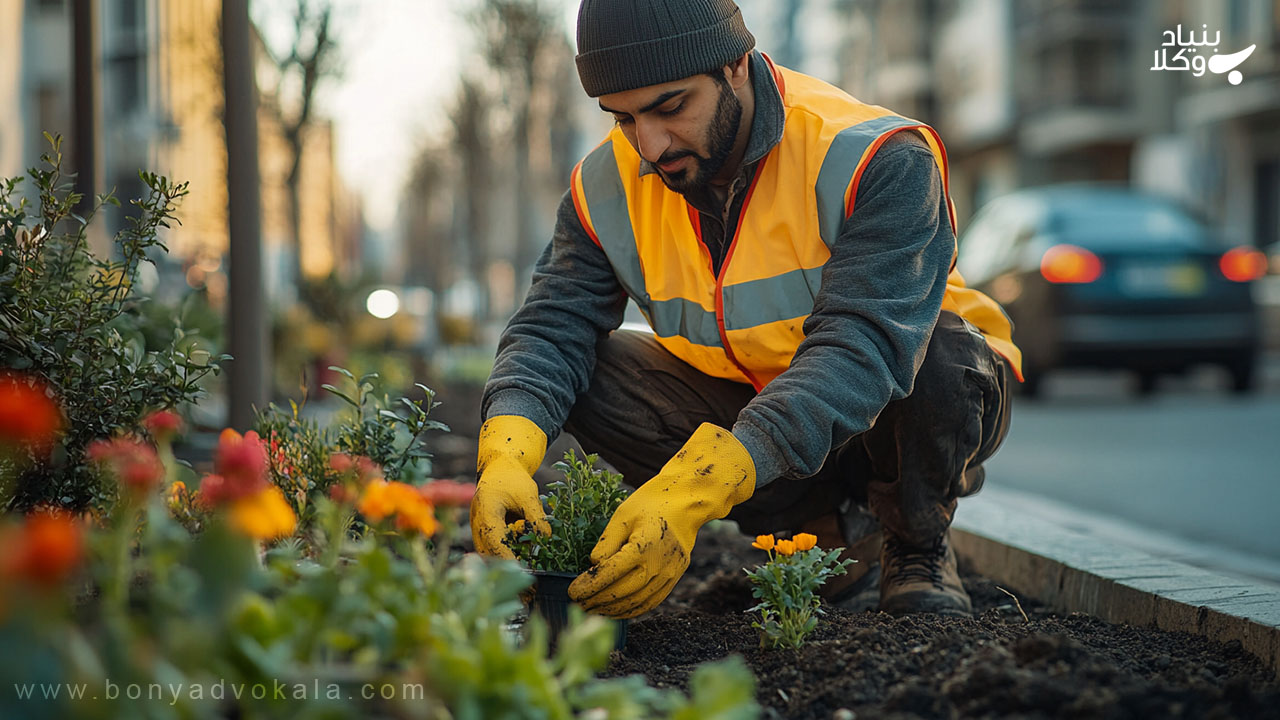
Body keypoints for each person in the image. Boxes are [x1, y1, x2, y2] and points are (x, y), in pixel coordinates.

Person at [470, 0, 1023, 620]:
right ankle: (813, 537)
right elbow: (552, 325)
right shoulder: (604, 186)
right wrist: (507, 452)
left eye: (670, 106)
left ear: (736, 65)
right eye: (623, 119)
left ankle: (915, 541)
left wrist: (696, 488)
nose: (649, 145)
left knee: (940, 354)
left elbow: (863, 348)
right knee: (592, 372)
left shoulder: (878, 157)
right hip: (760, 409)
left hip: (905, 401)